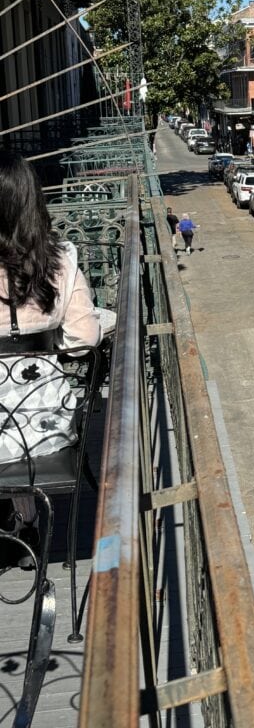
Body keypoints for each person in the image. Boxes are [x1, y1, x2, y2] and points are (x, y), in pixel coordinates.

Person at [0, 151, 102, 567]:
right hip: (42, 420)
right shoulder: (60, 263)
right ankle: (27, 523)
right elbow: (83, 341)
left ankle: (20, 520)